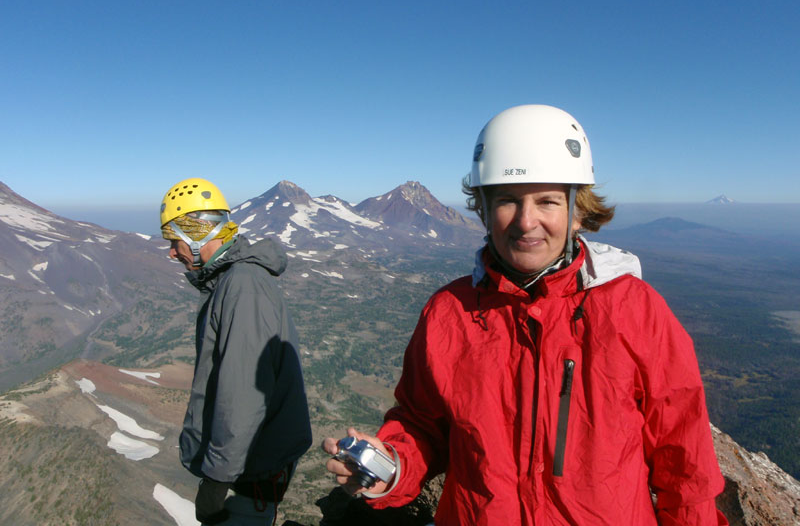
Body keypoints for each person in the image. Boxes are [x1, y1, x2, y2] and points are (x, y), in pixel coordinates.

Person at [323, 105, 728, 525]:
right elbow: (424, 426)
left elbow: (686, 466)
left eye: (548, 201)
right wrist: (393, 465)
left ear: (577, 211)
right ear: (483, 208)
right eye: (507, 201)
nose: (526, 221)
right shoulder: (451, 312)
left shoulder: (634, 309)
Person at [160, 177, 312, 526]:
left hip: (247, 476)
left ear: (197, 233)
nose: (171, 252)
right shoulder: (233, 281)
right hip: (247, 470)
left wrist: (217, 480)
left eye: (174, 240)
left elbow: (242, 395)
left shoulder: (242, 286)